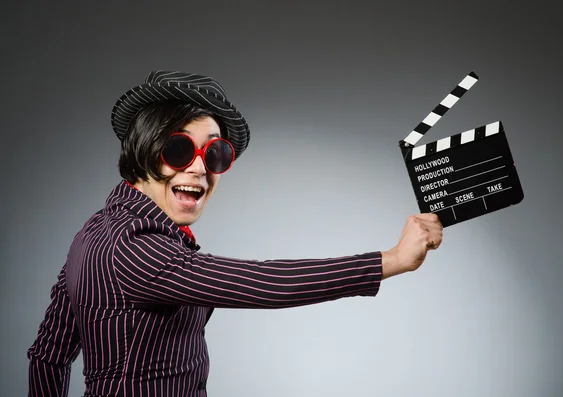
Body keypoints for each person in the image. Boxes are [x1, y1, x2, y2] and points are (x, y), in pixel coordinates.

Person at [27, 71, 443, 396]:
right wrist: (391, 260)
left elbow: (48, 357)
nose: (198, 168)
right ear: (142, 151)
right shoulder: (138, 250)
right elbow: (265, 283)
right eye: (178, 149)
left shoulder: (95, 230)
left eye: (215, 153)